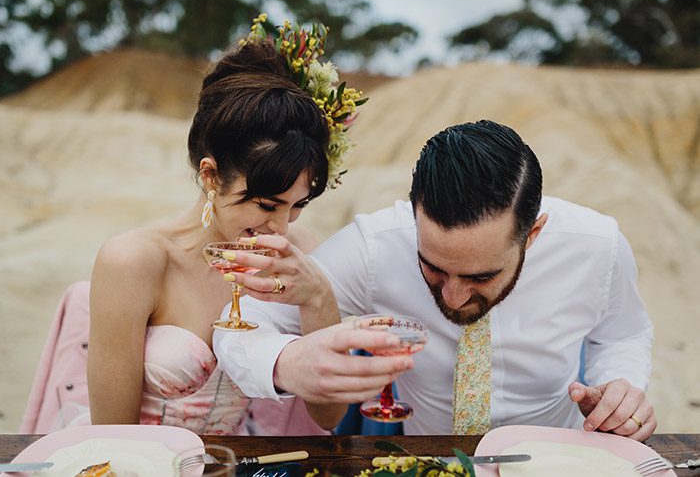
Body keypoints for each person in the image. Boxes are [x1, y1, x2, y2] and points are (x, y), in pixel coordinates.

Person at [213, 119, 656, 440]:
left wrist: (621, 385)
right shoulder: (375, 246)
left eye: (482, 275)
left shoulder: (599, 245)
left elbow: (624, 334)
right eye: (433, 268)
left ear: (533, 233)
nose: (455, 295)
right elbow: (242, 321)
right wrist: (284, 362)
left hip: (557, 462)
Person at [84, 15, 364, 433]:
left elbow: (329, 416)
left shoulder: (298, 252)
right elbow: (113, 434)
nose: (282, 228)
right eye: (267, 204)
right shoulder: (134, 261)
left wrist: (318, 297)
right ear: (211, 175)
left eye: (297, 205)